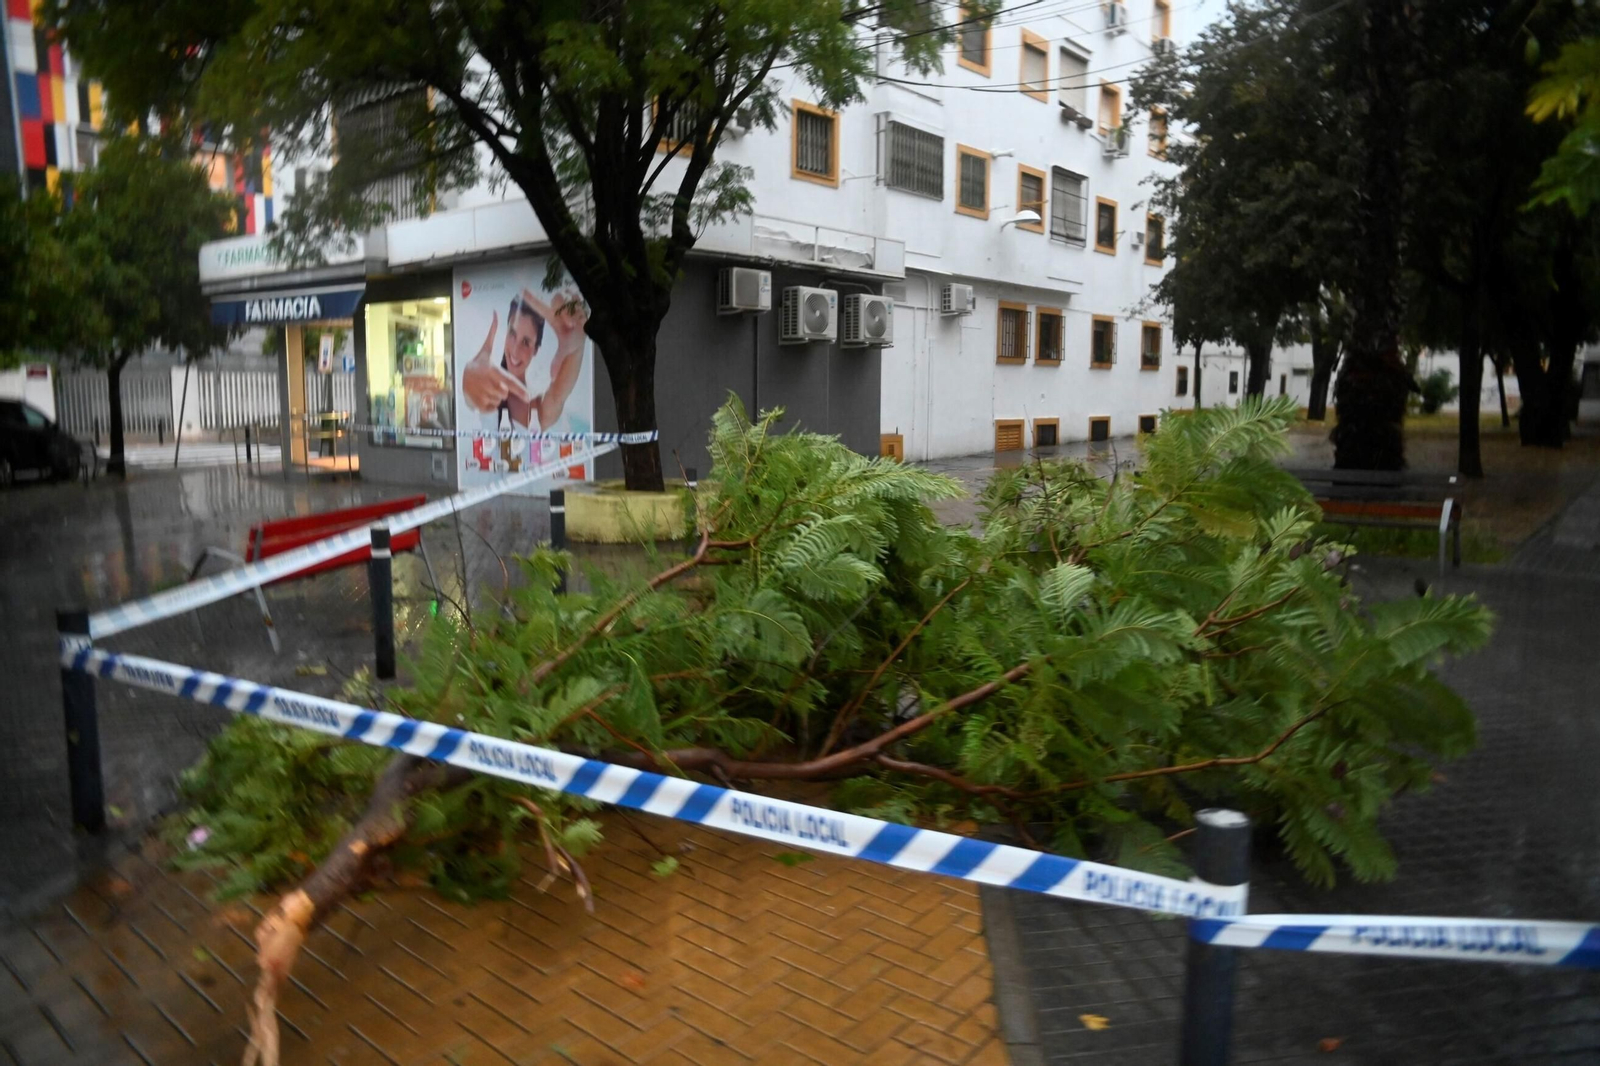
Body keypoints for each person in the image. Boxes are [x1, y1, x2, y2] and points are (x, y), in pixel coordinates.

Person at [460, 288, 588, 431]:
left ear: (536, 350)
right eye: (512, 333)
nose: (515, 350)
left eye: (526, 342)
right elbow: (468, 402)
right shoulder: (482, 384)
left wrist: (577, 349)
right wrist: (465, 382)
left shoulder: (536, 407)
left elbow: (559, 395)